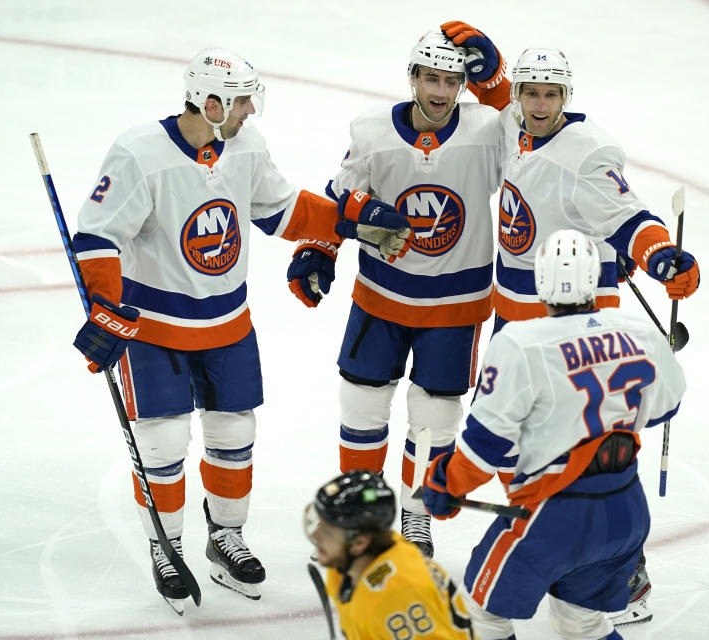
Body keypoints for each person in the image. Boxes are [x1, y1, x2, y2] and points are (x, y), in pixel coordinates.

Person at [70, 48, 412, 614]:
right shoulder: (140, 152)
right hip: (155, 325)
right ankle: (168, 546)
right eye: (243, 99)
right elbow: (98, 236)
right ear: (212, 101)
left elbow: (280, 210)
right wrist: (105, 307)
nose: (251, 109)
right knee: (162, 441)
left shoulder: (246, 146)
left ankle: (225, 538)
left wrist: (353, 220)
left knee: (234, 435)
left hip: (228, 323)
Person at [439, 22, 702, 625]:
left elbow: (629, 216)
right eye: (531, 92)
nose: (538, 104)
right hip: (515, 314)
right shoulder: (515, 122)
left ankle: (621, 573)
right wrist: (488, 67)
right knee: (521, 451)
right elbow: (500, 100)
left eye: (550, 95)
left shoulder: (589, 154)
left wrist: (661, 256)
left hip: (573, 324)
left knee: (586, 444)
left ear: (566, 98)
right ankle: (552, 547)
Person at [285, 29, 508, 557]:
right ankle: (361, 516)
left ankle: (414, 517)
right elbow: (341, 196)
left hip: (455, 306)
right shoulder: (371, 132)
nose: (441, 90)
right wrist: (320, 247)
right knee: (361, 405)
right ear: (412, 77)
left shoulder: (486, 129)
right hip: (380, 296)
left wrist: (497, 86)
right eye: (431, 77)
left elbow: (534, 133)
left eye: (452, 80)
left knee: (436, 420)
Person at [421, 229, 687, 640]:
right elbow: (666, 406)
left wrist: (445, 484)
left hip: (554, 513)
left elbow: (484, 448)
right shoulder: (640, 332)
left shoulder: (521, 343)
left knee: (481, 613)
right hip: (626, 508)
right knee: (580, 623)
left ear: (540, 279)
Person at [304, 470, 478, 639]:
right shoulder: (347, 566)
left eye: (328, 532)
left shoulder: (397, 597)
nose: (316, 537)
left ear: (359, 542)